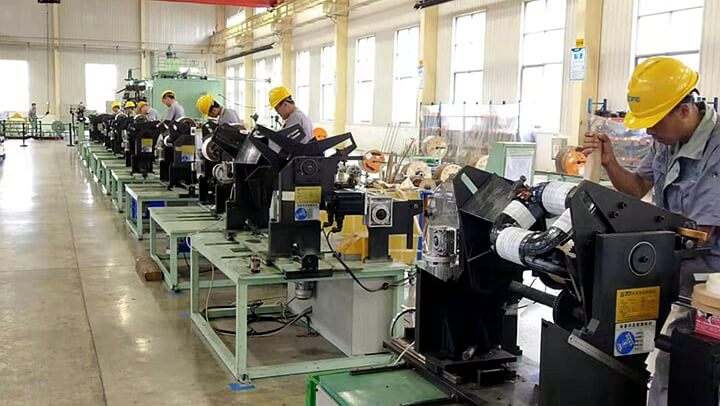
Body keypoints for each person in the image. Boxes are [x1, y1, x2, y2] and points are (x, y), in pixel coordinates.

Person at [583, 56, 720, 406]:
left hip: (708, 285)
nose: (648, 132)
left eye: (654, 122)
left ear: (684, 110)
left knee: (689, 367)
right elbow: (636, 188)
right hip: (674, 268)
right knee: (663, 359)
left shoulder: (716, 152)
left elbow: (698, 234)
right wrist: (610, 162)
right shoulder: (667, 140)